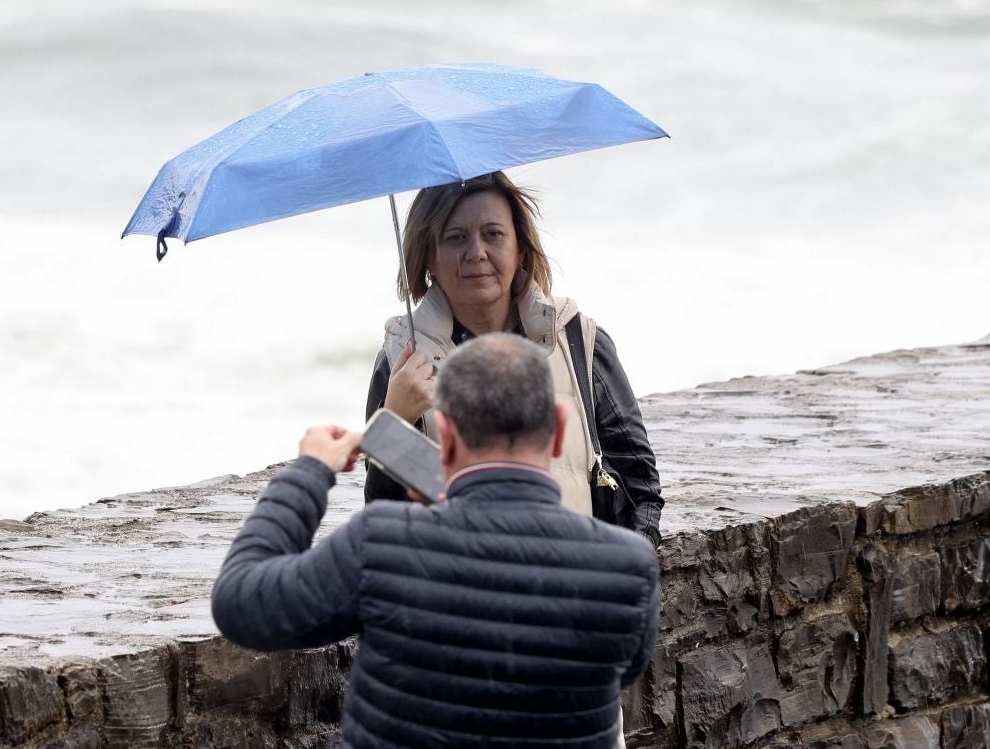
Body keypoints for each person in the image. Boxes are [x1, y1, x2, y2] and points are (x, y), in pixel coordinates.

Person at [212, 334, 660, 747]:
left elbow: (241, 603)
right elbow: (623, 668)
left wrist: (310, 472)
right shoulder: (629, 567)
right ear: (560, 427)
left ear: (444, 436)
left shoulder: (383, 544)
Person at [365, 171, 664, 547]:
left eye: (493, 234)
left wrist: (620, 577)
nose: (476, 252)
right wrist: (394, 420)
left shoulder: (577, 341)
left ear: (520, 247)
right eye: (455, 238)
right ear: (429, 257)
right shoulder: (402, 363)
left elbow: (641, 485)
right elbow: (384, 521)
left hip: (572, 593)